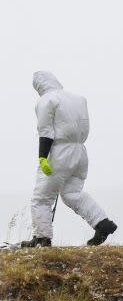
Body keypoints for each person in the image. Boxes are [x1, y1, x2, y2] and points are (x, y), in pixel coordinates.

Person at [21, 71, 116, 248]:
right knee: (72, 194)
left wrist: (43, 157)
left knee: (41, 198)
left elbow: (46, 131)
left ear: (39, 86)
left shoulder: (46, 100)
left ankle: (42, 238)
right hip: (80, 152)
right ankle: (103, 223)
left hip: (59, 153)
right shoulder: (79, 99)